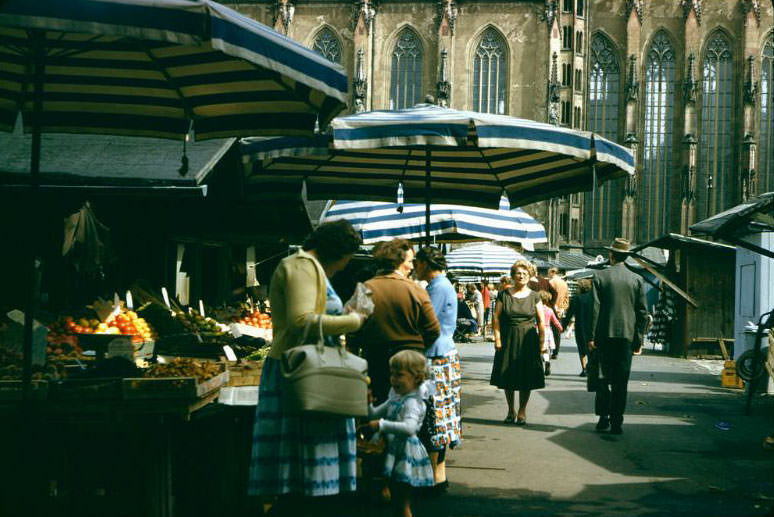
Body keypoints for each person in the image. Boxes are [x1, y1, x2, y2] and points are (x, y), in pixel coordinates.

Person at [248, 220, 368, 515]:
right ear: (337, 251)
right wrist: (354, 321)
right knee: (303, 477)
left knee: (306, 476)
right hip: (300, 375)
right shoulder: (302, 266)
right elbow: (301, 321)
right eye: (346, 259)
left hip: (309, 372)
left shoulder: (308, 268)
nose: (344, 267)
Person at [358, 238, 440, 403]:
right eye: (410, 261)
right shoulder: (416, 289)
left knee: (380, 407)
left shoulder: (366, 288)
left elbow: (356, 327)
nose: (412, 266)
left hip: (376, 359)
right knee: (412, 412)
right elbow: (433, 330)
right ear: (400, 262)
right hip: (411, 362)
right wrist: (417, 347)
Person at [361, 350, 436, 517]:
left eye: (399, 375)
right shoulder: (396, 397)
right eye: (392, 374)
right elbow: (374, 414)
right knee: (397, 501)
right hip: (395, 451)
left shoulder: (413, 402)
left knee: (402, 503)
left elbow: (409, 428)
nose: (393, 379)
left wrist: (381, 425)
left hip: (405, 452)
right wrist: (368, 404)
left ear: (416, 378)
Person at [588, 238, 649, 435]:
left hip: (604, 336)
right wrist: (638, 340)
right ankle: (617, 422)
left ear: (611, 255)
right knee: (621, 381)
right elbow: (642, 313)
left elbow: (595, 309)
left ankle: (603, 417)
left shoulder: (600, 276)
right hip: (627, 337)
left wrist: (591, 337)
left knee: (603, 378)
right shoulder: (636, 279)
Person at [414, 247, 461, 493]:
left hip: (436, 356)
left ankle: (436, 476)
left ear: (425, 263)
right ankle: (437, 475)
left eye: (416, 262)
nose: (414, 267)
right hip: (441, 355)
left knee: (436, 417)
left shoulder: (438, 287)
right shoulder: (440, 285)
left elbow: (425, 321)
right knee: (438, 416)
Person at [491, 260, 546, 425]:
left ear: (529, 276)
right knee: (507, 374)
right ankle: (510, 410)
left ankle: (522, 411)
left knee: (526, 376)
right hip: (508, 338)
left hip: (528, 340)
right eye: (518, 273)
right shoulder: (504, 295)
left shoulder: (535, 296)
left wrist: (542, 344)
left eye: (524, 273)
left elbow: (541, 321)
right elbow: (496, 317)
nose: (521, 276)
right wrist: (497, 338)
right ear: (513, 276)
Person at [562, 278, 593, 376]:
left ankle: (584, 369)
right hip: (592, 326)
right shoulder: (594, 298)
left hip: (580, 326)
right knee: (591, 347)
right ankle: (591, 366)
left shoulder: (576, 299)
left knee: (581, 348)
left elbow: (569, 315)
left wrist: (562, 326)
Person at [538, 290, 563, 376]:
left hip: (537, 330)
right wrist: (560, 328)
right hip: (547, 331)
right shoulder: (549, 310)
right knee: (545, 349)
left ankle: (539, 366)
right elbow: (555, 321)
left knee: (537, 349)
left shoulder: (536, 309)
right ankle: (547, 361)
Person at [547, 267, 569, 359]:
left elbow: (548, 296)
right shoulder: (564, 283)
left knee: (546, 328)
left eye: (548, 272)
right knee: (557, 331)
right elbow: (566, 298)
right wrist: (563, 308)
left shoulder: (551, 282)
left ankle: (546, 350)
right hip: (560, 309)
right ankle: (556, 351)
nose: (548, 274)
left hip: (550, 307)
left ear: (552, 272)